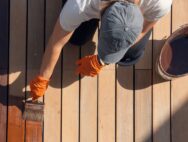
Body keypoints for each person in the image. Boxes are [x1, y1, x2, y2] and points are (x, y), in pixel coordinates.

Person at [29, 0, 172, 101]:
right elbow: (56, 41)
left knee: (131, 55)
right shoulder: (80, 5)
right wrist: (42, 78)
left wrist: (101, 60)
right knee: (76, 39)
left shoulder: (161, 3)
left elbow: (145, 28)